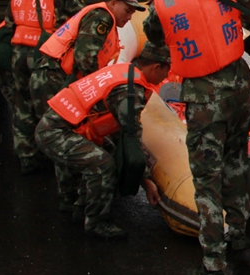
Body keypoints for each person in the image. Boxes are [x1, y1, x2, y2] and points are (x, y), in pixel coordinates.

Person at [142, 0, 250, 275]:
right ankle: (241, 232)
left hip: (204, 97)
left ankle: (213, 266)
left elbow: (154, 33)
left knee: (206, 182)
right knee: (234, 161)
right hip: (240, 86)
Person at [36, 42, 170, 238]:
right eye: (166, 71)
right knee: (103, 165)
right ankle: (96, 222)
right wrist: (146, 179)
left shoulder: (125, 71)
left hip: (63, 127)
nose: (166, 77)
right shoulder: (130, 91)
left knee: (106, 150)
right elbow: (131, 138)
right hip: (56, 132)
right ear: (156, 67)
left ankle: (80, 206)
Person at [30, 0, 145, 212]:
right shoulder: (102, 16)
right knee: (67, 130)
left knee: (72, 131)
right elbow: (85, 57)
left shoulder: (103, 17)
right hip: (54, 76)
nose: (130, 15)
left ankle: (71, 196)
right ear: (112, 3)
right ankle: (71, 197)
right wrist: (97, 91)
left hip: (55, 75)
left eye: (133, 12)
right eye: (127, 9)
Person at [4, 0, 83, 175]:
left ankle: (27, 158)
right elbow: (80, 20)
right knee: (51, 108)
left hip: (19, 51)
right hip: (46, 54)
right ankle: (57, 162)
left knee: (22, 106)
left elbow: (10, 21)